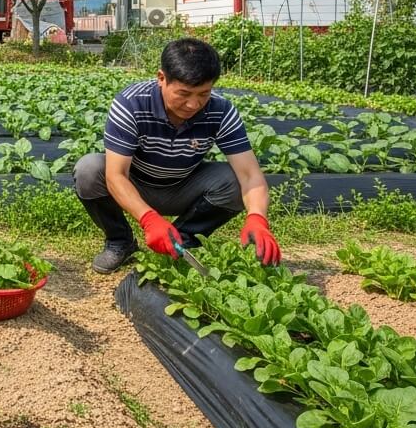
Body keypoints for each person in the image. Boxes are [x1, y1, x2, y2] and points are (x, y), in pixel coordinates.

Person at [74, 37, 280, 272]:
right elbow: (116, 176)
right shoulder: (131, 104)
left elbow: (251, 175)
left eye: (203, 93)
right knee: (89, 169)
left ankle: (182, 242)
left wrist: (257, 217)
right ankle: (120, 242)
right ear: (161, 78)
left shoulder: (221, 110)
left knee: (234, 180)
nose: (194, 104)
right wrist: (149, 219)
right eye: (184, 93)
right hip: (136, 185)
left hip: (185, 187)